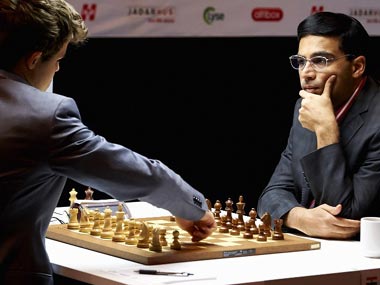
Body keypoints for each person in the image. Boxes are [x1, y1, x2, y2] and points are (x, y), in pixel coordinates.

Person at [0, 1, 216, 284]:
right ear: (33, 59)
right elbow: (131, 173)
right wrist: (192, 208)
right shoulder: (45, 116)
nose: (57, 70)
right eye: (58, 61)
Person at [257, 11, 380, 240]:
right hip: (307, 243)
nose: (307, 73)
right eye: (301, 61)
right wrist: (299, 218)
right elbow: (271, 194)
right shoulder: (305, 107)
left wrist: (326, 132)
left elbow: (343, 216)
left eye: (320, 61)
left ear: (357, 67)